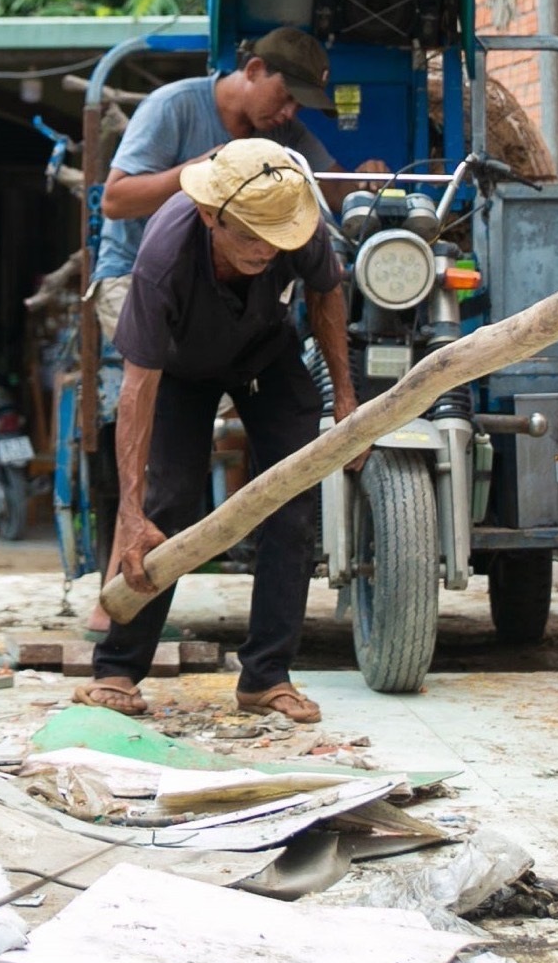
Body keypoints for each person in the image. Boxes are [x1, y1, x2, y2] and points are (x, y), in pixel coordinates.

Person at [87, 139, 357, 724]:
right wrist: (130, 513)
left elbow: (326, 294)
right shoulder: (164, 257)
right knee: (169, 506)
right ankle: (116, 667)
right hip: (181, 370)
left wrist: (346, 397)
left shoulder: (295, 220)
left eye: (276, 238)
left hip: (265, 351)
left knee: (291, 502)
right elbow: (137, 393)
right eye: (252, 238)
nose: (268, 249)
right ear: (213, 217)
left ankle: (267, 676)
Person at [80, 28, 337, 626]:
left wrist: (368, 180)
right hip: (144, 281)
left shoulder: (280, 130)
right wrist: (198, 174)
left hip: (228, 293)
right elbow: (115, 200)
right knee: (159, 417)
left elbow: (324, 189)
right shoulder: (174, 107)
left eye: (300, 104)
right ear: (251, 69)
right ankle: (124, 576)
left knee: (269, 361)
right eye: (286, 94)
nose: (291, 112)